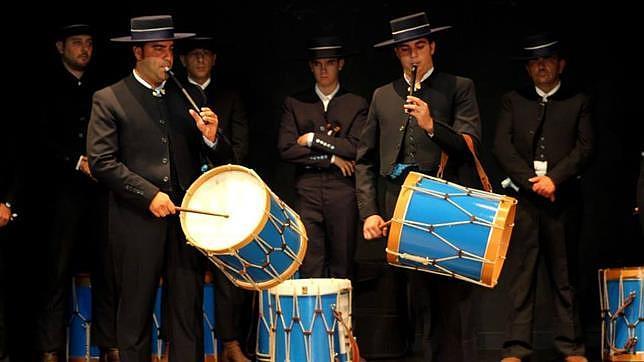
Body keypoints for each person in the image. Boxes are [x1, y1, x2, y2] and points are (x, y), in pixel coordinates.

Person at [87, 15, 233, 361]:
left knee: (186, 310)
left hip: (183, 221)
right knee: (135, 311)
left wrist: (212, 138)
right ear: (138, 52)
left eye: (170, 49)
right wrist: (148, 194)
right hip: (135, 222)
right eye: (158, 50)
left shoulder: (185, 96)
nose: (167, 58)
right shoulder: (110, 98)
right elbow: (102, 162)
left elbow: (222, 155)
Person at [355, 12, 482, 361]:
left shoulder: (458, 87)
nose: (414, 55)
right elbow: (365, 160)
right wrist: (369, 212)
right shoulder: (382, 95)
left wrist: (431, 125)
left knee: (446, 299)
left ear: (432, 47)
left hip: (443, 206)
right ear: (397, 54)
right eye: (406, 49)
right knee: (404, 298)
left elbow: (469, 147)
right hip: (397, 205)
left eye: (420, 47)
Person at [493, 33, 593, 362]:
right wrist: (530, 182)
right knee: (522, 276)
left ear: (560, 64)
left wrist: (554, 179)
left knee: (564, 276)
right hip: (524, 201)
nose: (541, 66)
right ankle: (516, 347)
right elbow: (502, 147)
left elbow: (584, 147)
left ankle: (571, 345)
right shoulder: (513, 100)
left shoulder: (577, 100)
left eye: (547, 60)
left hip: (562, 200)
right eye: (535, 61)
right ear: (528, 69)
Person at [34, 23, 110, 362]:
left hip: (99, 191)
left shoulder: (102, 86)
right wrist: (76, 160)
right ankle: (50, 349)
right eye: (77, 43)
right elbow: (38, 138)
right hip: (61, 194)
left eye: (90, 43)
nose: (85, 49)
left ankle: (111, 344)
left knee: (107, 268)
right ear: (60, 46)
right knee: (56, 271)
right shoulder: (45, 87)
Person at [178, 36, 251, 362]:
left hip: (223, 195)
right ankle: (187, 346)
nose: (201, 59)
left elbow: (239, 149)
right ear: (184, 60)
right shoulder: (173, 97)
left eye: (206, 54)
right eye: (194, 54)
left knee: (227, 273)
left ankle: (231, 342)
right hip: (186, 197)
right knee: (186, 273)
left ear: (214, 58)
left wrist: (213, 142)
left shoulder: (230, 96)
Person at [278, 36, 367, 279]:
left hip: (342, 192)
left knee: (343, 265)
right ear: (311, 66)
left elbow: (355, 148)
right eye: (318, 64)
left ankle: (342, 318)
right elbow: (286, 149)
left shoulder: (356, 103)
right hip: (307, 191)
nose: (323, 69)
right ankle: (312, 318)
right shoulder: (295, 103)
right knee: (310, 266)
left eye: (329, 63)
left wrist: (313, 139)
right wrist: (330, 159)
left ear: (340, 64)